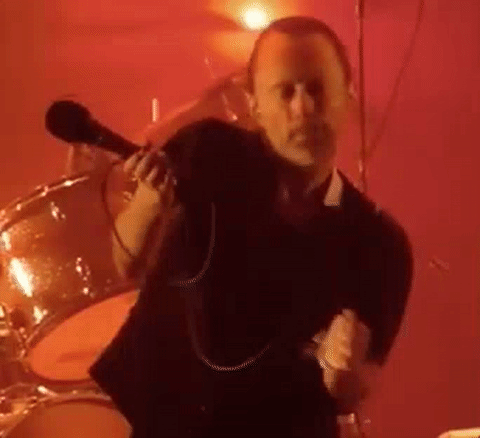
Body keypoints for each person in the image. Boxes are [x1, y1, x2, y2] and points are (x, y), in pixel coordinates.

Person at [89, 16, 414, 438]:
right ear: (254, 102)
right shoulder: (207, 151)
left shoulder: (378, 241)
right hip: (162, 422)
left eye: (317, 89)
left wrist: (342, 373)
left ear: (348, 94)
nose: (303, 109)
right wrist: (148, 205)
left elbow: (356, 389)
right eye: (286, 91)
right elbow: (126, 264)